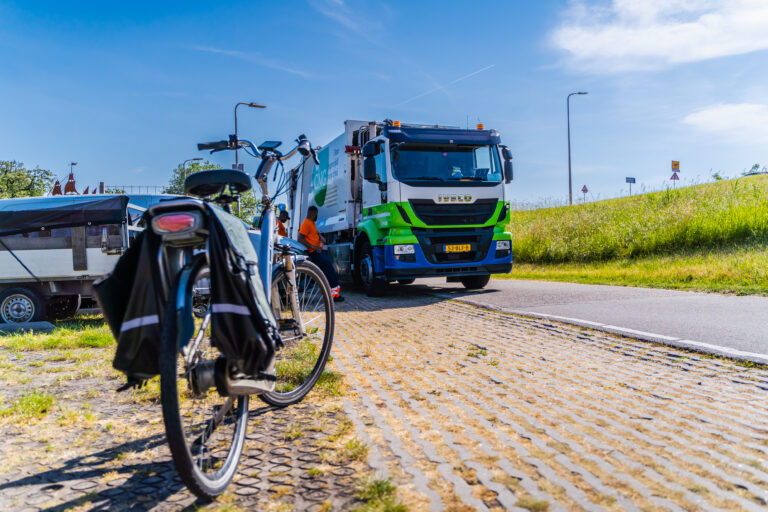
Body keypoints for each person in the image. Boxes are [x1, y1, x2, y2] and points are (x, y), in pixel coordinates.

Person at [298, 206, 344, 302]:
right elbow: (300, 238)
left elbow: (313, 235)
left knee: (328, 271)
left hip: (318, 251)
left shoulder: (311, 223)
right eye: (316, 214)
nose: (316, 216)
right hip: (315, 252)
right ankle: (334, 295)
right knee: (329, 271)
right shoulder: (306, 223)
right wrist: (314, 247)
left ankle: (333, 294)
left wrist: (320, 237)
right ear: (314, 213)